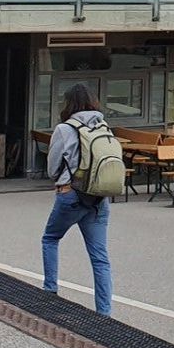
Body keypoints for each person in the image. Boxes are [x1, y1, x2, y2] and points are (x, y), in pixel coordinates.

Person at [42, 84, 114, 316]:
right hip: (98, 198)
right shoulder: (104, 126)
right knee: (100, 258)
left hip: (71, 194)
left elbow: (53, 167)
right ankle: (104, 312)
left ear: (68, 103)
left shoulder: (65, 129)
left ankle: (50, 290)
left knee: (50, 238)